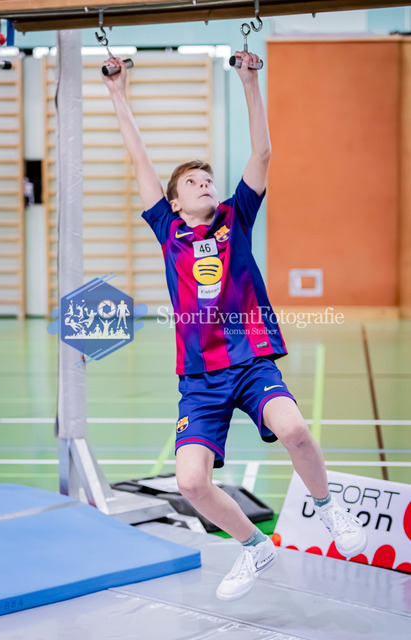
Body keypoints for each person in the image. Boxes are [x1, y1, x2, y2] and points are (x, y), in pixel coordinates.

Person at [102, 52, 367, 602]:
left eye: (208, 179)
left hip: (250, 361)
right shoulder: (167, 229)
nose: (204, 184)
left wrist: (250, 81)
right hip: (200, 378)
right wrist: (117, 93)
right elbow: (139, 158)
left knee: (295, 431)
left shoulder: (235, 216)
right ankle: (254, 546)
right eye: (192, 182)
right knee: (191, 481)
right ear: (174, 201)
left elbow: (263, 152)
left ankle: (326, 507)